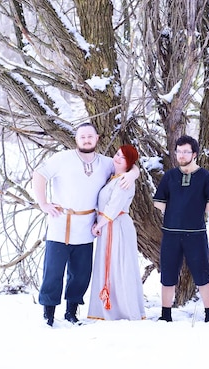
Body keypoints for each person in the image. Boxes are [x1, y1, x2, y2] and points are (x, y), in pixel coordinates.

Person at [33, 123, 139, 326]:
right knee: (53, 272)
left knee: (80, 274)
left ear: (97, 138)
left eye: (90, 136)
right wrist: (44, 204)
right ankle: (48, 314)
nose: (86, 139)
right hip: (60, 224)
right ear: (76, 139)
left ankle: (71, 312)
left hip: (87, 226)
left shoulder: (106, 163)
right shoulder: (63, 159)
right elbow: (39, 174)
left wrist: (133, 173)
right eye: (82, 136)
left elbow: (129, 164)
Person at [153, 135, 209, 323]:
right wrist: (175, 210)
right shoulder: (170, 176)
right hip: (171, 233)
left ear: (195, 154)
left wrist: (194, 210)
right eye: (179, 151)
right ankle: (165, 314)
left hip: (196, 233)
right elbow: (159, 202)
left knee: (202, 273)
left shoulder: (204, 176)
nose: (181, 155)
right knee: (168, 274)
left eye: (186, 151)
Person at [87, 145, 146, 321]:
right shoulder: (114, 177)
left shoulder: (124, 181)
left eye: (123, 157)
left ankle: (125, 311)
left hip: (116, 225)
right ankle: (109, 308)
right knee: (109, 266)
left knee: (120, 266)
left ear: (129, 163)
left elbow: (114, 207)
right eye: (117, 154)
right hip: (109, 225)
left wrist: (99, 224)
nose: (118, 158)